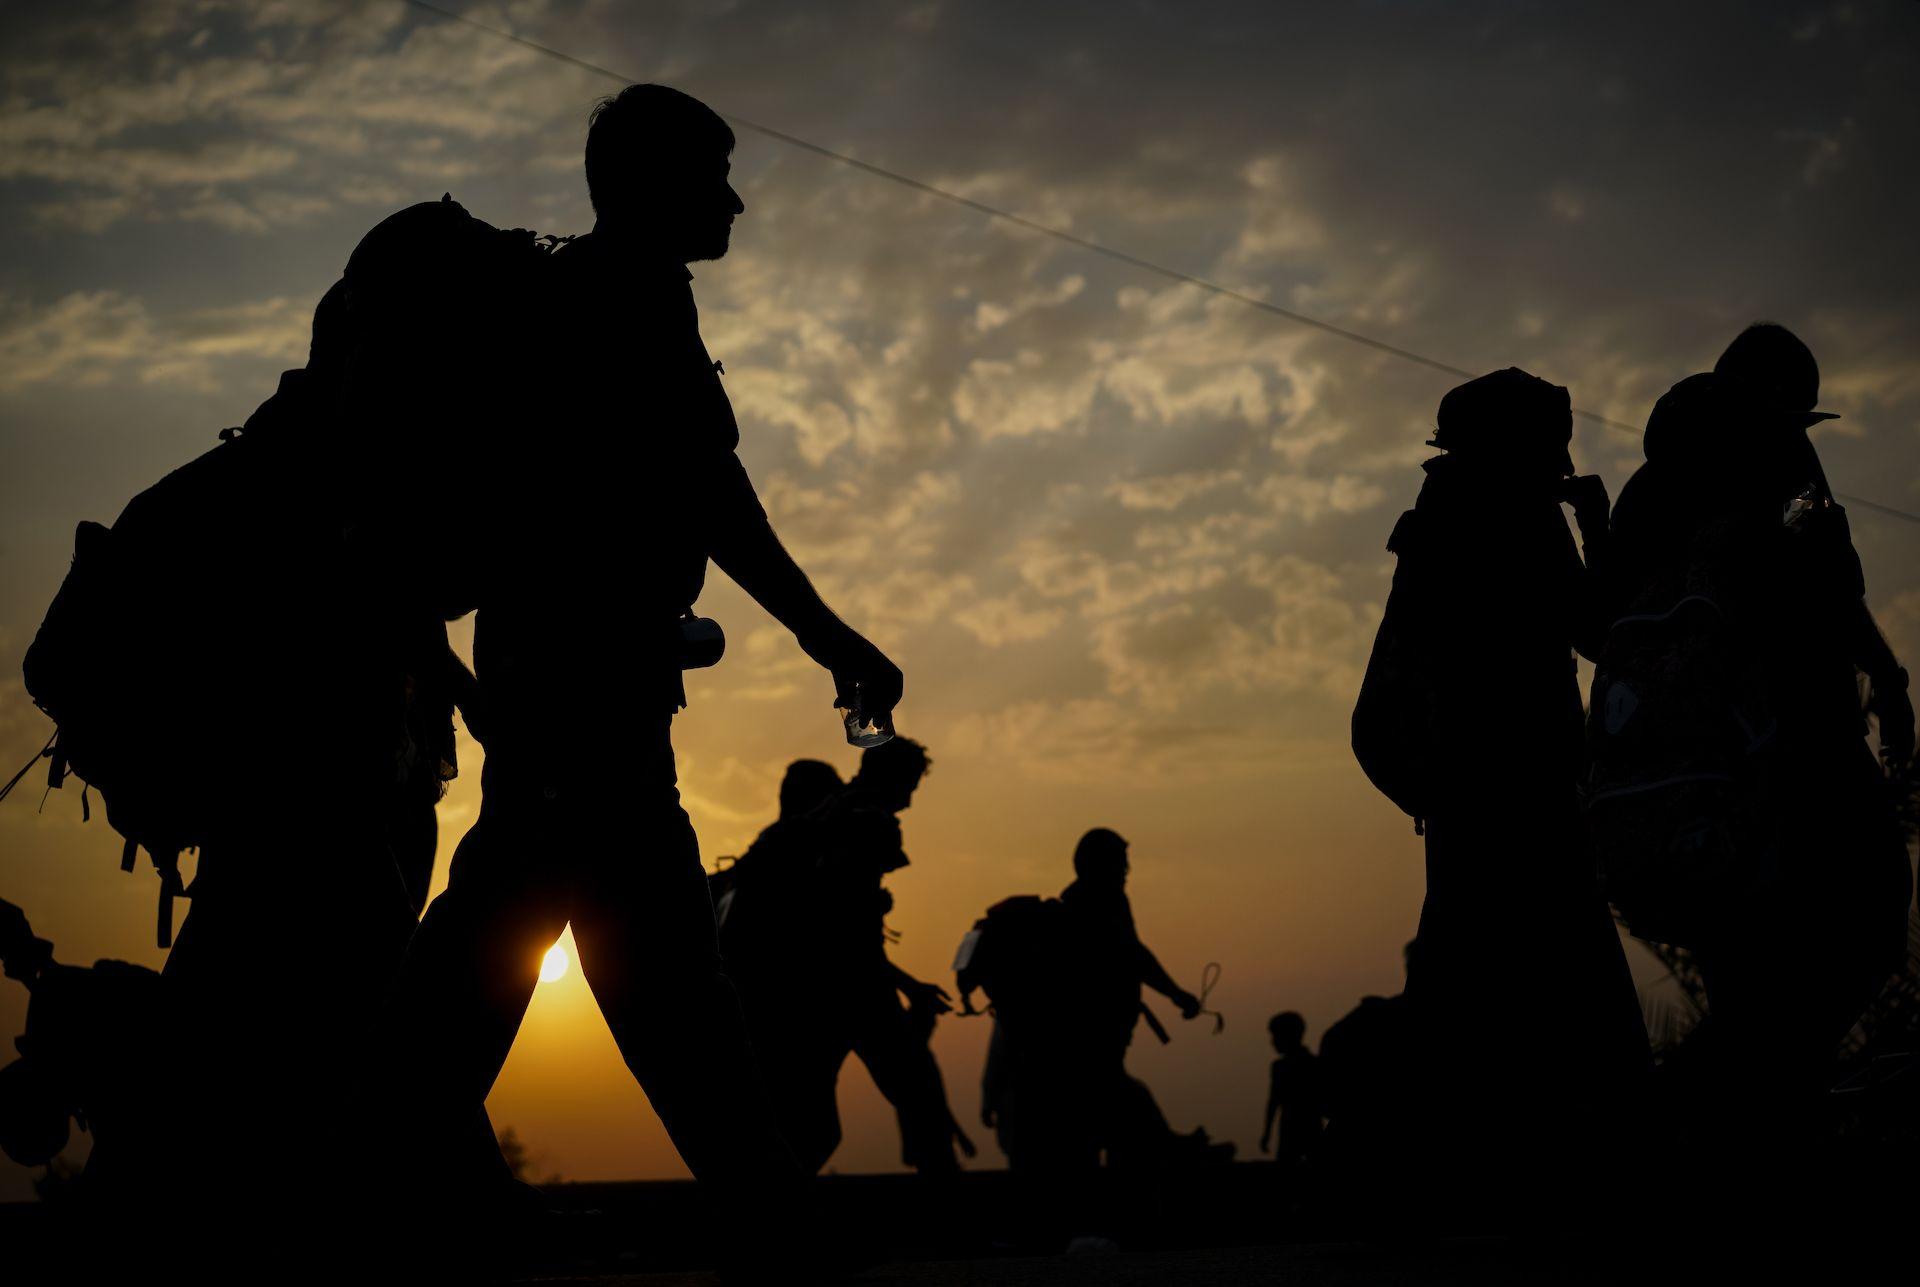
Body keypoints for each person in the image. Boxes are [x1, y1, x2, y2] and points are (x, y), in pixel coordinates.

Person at [374, 84, 905, 1250]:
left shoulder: (610, 301)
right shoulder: (619, 306)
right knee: (605, 953)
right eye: (714, 175)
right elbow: (715, 500)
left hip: (568, 674)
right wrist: (831, 636)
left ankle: (765, 1215)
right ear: (654, 183)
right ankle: (769, 1221)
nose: (736, 199)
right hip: (578, 679)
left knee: (620, 945)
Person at [1606, 326, 1913, 1173]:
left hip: (1691, 775)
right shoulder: (1783, 457)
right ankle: (1725, 1124)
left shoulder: (1646, 488)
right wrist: (1887, 679)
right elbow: (1830, 577)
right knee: (1866, 924)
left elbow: (1607, 627)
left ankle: (1732, 1149)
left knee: (1744, 964)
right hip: (1804, 744)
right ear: (1784, 401)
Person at [1353, 368, 1648, 1224]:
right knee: (1574, 984)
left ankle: (1425, 1185)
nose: (1561, 452)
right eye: (1552, 437)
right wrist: (1600, 526)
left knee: (1463, 980)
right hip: (1520, 785)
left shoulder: (1439, 515)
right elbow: (1602, 631)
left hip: (1459, 788)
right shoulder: (1515, 514)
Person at [722, 741, 972, 1176]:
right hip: (851, 993)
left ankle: (765, 1210)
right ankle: (947, 1216)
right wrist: (905, 985)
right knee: (919, 1093)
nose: (910, 799)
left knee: (813, 1126)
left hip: (814, 996)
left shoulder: (821, 820)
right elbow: (847, 932)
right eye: (909, 785)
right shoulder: (864, 823)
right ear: (894, 779)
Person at [1259, 1011, 1323, 1171]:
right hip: (1311, 1125)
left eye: (1275, 1036)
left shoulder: (1281, 1067)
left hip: (1292, 1128)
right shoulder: (1314, 1063)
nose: (1272, 1042)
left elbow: (1273, 1102)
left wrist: (1267, 1133)